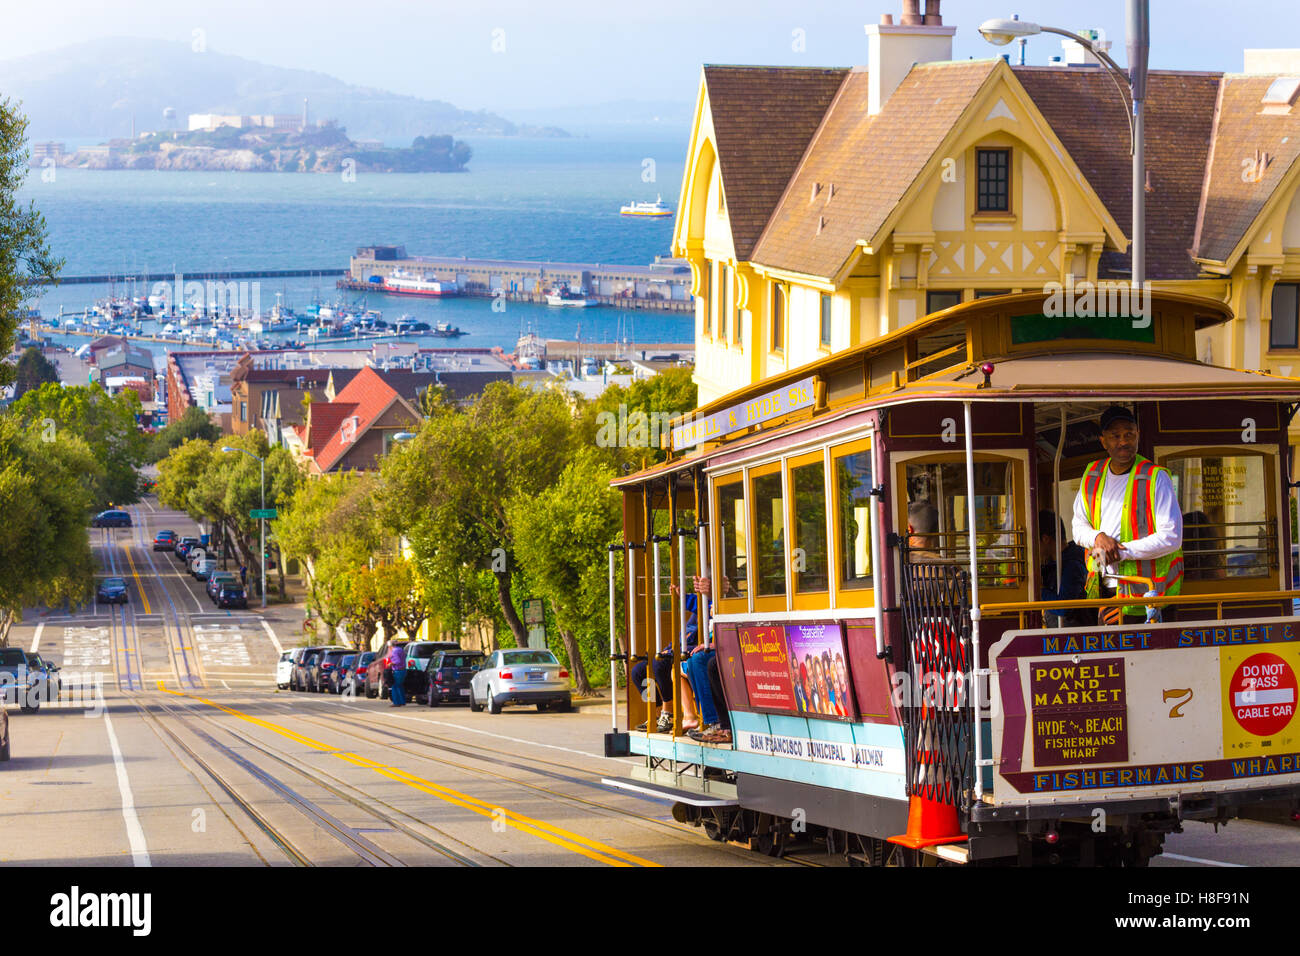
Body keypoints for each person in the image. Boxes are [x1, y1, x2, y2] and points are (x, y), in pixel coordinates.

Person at [1072, 405, 1183, 624]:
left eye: (1129, 434)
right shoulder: (1092, 474)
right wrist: (1098, 537)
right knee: (1111, 657)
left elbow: (1172, 537)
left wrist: (1122, 552)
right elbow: (1078, 527)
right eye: (1115, 436)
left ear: (1138, 436)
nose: (1123, 441)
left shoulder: (1155, 477)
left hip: (1148, 597)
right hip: (1105, 591)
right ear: (1103, 441)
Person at [1038, 509, 1090, 627]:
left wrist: (1038, 591)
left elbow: (1064, 607)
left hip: (1072, 638)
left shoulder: (1072, 565)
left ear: (1045, 539)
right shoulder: (1053, 563)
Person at [387, 640, 407, 707]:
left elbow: (397, 661)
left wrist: (391, 663)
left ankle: (396, 702)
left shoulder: (394, 651)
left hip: (398, 670)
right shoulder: (400, 649)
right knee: (400, 686)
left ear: (390, 646)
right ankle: (402, 701)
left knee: (395, 686)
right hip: (403, 670)